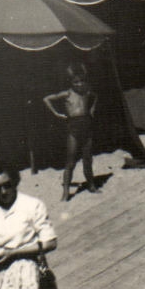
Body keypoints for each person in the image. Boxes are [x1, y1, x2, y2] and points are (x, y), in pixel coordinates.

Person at [43, 62, 101, 202]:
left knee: (87, 159)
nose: (79, 84)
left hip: (87, 126)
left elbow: (96, 96)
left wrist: (92, 109)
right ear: (71, 82)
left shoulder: (87, 92)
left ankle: (91, 185)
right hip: (73, 128)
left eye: (82, 81)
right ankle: (66, 192)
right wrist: (56, 113)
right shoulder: (67, 93)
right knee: (71, 162)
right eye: (76, 82)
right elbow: (46, 99)